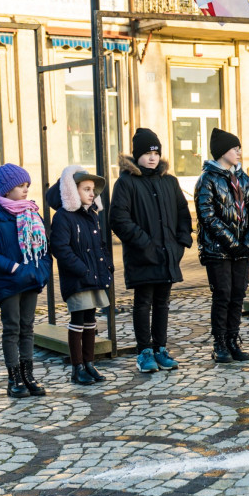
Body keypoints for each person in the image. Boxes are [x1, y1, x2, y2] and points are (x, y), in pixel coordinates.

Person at [109, 128, 193, 373]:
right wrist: (144, 242)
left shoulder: (169, 181)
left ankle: (160, 348)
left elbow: (182, 213)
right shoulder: (126, 182)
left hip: (168, 255)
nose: (152, 158)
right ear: (137, 156)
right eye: (146, 153)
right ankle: (144, 351)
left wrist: (181, 243)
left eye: (155, 152)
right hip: (142, 255)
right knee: (143, 302)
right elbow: (119, 219)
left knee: (162, 303)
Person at [0, 164, 51, 398]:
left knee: (27, 328)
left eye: (27, 185)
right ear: (7, 190)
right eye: (20, 186)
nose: (26, 190)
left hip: (30, 281)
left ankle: (28, 375)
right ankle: (14, 378)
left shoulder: (32, 213)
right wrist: (13, 267)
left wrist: (42, 272)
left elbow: (45, 249)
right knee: (12, 329)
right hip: (8, 282)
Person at [196, 128, 249, 362]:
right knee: (222, 295)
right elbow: (207, 215)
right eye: (235, 149)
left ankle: (233, 339)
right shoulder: (208, 179)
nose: (239, 152)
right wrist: (232, 243)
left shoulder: (243, 178)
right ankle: (220, 342)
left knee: (238, 295)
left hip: (242, 250)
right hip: (218, 251)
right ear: (223, 152)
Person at [48, 165, 112, 386]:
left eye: (92, 189)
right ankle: (77, 368)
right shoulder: (63, 217)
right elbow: (61, 249)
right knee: (78, 320)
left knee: (90, 320)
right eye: (86, 189)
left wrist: (107, 266)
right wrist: (82, 269)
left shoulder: (91, 216)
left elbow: (100, 245)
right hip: (77, 278)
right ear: (72, 191)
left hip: (92, 277)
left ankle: (89, 363)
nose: (92, 193)